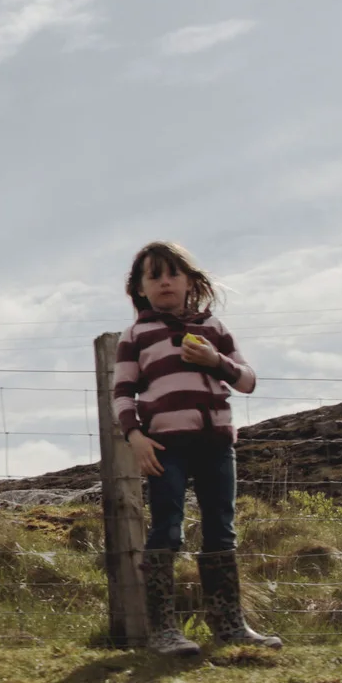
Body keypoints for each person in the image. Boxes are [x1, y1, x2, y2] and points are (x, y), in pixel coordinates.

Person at [111, 241, 282, 655]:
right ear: (140, 288)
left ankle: (230, 626)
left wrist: (214, 361)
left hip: (217, 444)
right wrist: (135, 438)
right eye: (154, 276)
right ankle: (163, 632)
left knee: (221, 526)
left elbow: (247, 381)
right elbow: (121, 394)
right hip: (163, 446)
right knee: (166, 526)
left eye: (172, 273)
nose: (165, 281)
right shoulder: (135, 335)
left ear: (190, 281)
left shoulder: (214, 330)